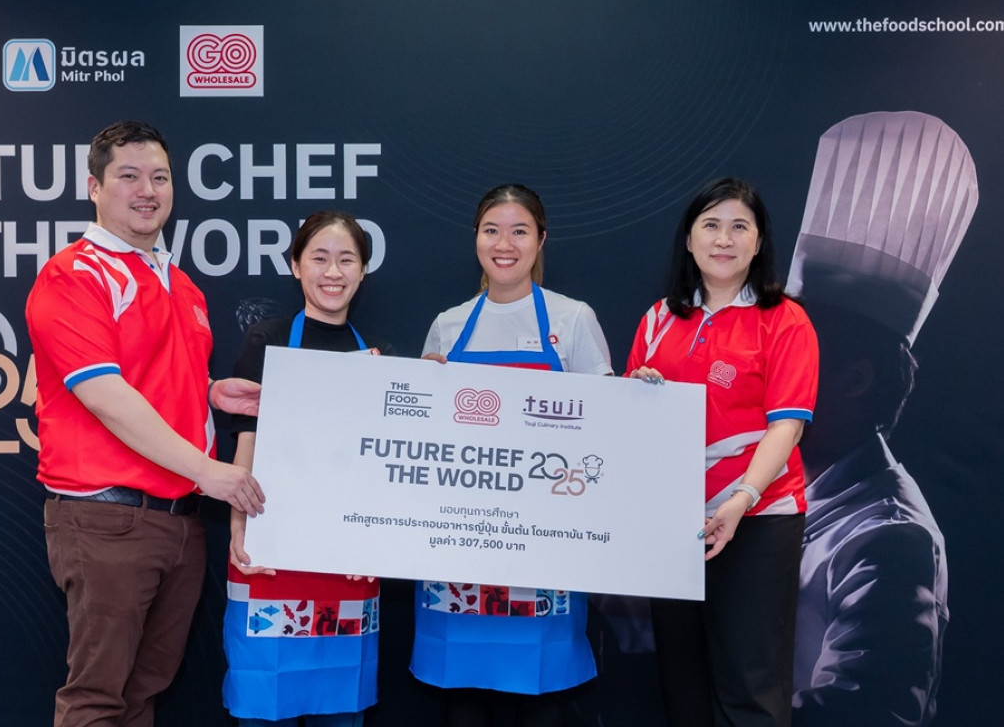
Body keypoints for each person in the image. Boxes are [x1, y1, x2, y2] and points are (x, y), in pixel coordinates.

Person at [25, 120, 266, 727]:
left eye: (159, 177)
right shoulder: (74, 275)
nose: (147, 190)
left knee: (142, 695)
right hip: (108, 519)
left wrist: (211, 392)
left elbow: (148, 378)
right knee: (97, 698)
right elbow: (106, 395)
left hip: (178, 521)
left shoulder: (180, 284)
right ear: (94, 187)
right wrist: (210, 471)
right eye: (128, 176)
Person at [786, 111, 976, 726]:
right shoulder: (766, 482)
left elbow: (862, 714)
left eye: (790, 354)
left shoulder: (891, 538)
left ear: (855, 378)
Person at [412, 184, 613, 727]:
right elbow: (422, 439)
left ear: (541, 240)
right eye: (491, 230)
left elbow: (605, 430)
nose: (504, 244)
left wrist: (635, 397)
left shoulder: (572, 319)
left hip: (544, 542)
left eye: (519, 231)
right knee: (464, 704)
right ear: (476, 238)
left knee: (541, 703)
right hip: (460, 542)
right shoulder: (449, 324)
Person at [625, 177, 818, 727]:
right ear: (689, 240)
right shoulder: (658, 319)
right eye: (710, 225)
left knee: (750, 682)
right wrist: (635, 393)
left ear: (759, 242)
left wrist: (742, 497)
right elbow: (630, 427)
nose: (724, 239)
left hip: (758, 517)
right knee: (681, 680)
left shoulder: (785, 319)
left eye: (739, 226)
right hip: (674, 523)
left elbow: (787, 426)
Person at [222, 211, 391, 727]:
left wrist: (375, 540)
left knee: (339, 707)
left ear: (363, 270)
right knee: (263, 706)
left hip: (348, 561)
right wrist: (238, 528)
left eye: (347, 260)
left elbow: (382, 468)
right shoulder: (266, 341)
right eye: (319, 258)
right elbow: (247, 443)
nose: (333, 272)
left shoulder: (378, 357)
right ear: (296, 266)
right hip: (271, 552)